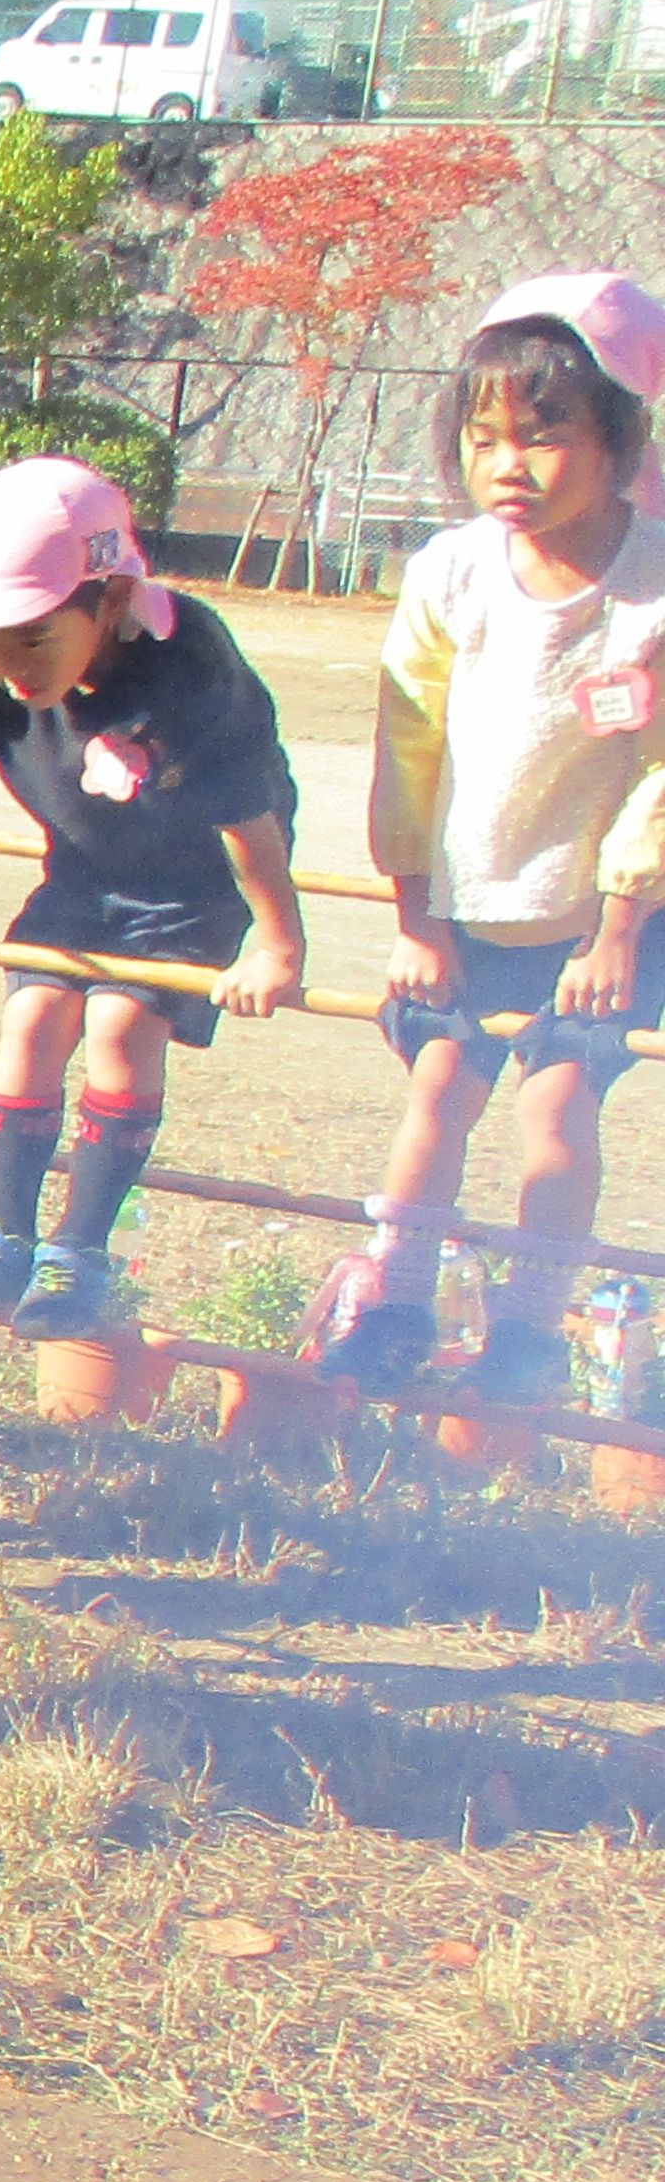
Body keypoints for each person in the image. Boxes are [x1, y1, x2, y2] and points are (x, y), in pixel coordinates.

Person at [314, 276, 662, 1399]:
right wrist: (414, 918)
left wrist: (617, 925)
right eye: (484, 437)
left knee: (556, 1109)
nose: (508, 463)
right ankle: (398, 1300)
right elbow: (405, 746)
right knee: (441, 1094)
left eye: (545, 436)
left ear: (619, 439)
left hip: (603, 918)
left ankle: (527, 1329)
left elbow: (659, 775)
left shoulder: (655, 585)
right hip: (465, 907)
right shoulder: (450, 573)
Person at [0, 461, 307, 1340]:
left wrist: (276, 944)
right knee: (33, 1016)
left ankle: (80, 1253)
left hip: (197, 885)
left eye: (33, 639)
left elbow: (247, 814)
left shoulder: (187, 662)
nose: (4, 667)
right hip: (83, 872)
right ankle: (2, 1234)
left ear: (110, 599)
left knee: (118, 1027)